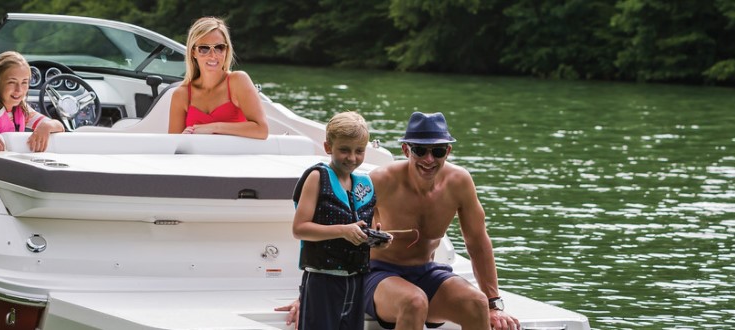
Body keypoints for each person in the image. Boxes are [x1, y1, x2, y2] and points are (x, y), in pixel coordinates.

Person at [362, 112, 520, 330]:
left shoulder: (459, 182)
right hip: (378, 273)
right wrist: (310, 293)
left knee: (477, 304)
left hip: (426, 271)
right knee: (413, 302)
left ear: (448, 151)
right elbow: (341, 231)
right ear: (406, 149)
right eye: (420, 150)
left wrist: (494, 304)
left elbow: (477, 242)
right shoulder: (379, 180)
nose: (429, 159)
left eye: (437, 151)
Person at [290, 111, 379, 329]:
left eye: (359, 151)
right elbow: (299, 229)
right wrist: (342, 230)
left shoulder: (363, 184)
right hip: (322, 281)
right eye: (344, 150)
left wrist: (378, 237)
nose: (352, 158)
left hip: (356, 282)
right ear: (328, 147)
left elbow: (375, 223)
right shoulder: (317, 177)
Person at [167, 17, 268, 139]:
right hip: (196, 158)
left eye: (219, 47)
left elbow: (262, 130)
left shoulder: (238, 81)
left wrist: (214, 127)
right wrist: (183, 138)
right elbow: (172, 146)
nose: (213, 55)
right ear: (193, 52)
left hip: (236, 157)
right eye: (204, 49)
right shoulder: (181, 94)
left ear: (226, 50)